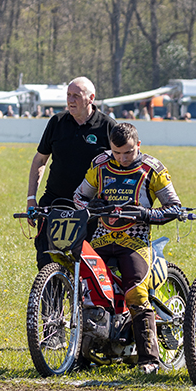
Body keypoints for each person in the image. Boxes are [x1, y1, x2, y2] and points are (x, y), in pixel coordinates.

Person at [73, 123, 183, 374]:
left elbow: (174, 207)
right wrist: (93, 206)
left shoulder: (152, 169)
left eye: (128, 153)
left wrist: (146, 214)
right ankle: (81, 354)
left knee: (136, 291)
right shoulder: (100, 165)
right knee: (85, 289)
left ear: (139, 146)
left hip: (135, 241)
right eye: (117, 152)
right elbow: (79, 197)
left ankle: (149, 359)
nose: (122, 159)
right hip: (100, 239)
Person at [26, 76, 115, 268]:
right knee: (45, 259)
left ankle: (79, 297)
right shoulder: (57, 122)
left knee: (85, 264)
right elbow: (40, 159)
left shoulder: (108, 127)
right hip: (54, 202)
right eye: (68, 95)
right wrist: (31, 198)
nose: (70, 100)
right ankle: (50, 295)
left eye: (76, 95)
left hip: (90, 207)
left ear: (91, 98)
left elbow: (121, 166)